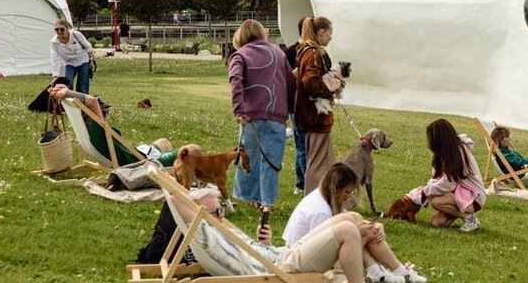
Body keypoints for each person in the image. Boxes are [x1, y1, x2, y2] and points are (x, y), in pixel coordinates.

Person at [176, 185, 424, 283]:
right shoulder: (205, 234)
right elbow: (178, 202)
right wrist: (158, 172)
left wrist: (265, 243)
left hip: (280, 254)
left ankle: (398, 272)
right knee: (348, 230)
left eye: (221, 209)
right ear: (200, 215)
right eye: (215, 211)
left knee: (351, 218)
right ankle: (374, 274)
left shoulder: (220, 228)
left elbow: (249, 249)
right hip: (279, 267)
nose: (221, 215)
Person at [284, 163, 427, 282]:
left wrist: (375, 226)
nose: (348, 197)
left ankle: (390, 270)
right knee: (350, 230)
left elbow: (350, 220)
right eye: (346, 192)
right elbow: (332, 259)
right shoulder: (320, 212)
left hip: (299, 256)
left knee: (354, 218)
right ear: (335, 189)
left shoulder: (322, 197)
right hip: (294, 264)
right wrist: (359, 233)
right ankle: (377, 270)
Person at [230, 19, 296, 214]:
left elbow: (235, 81)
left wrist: (239, 109)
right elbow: (290, 84)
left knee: (249, 157)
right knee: (271, 160)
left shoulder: (240, 55)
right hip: (276, 115)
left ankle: (252, 197)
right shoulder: (279, 53)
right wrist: (290, 110)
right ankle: (267, 202)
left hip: (250, 115)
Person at [47, 81, 175, 166]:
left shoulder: (87, 130)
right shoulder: (98, 130)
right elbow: (92, 102)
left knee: (163, 142)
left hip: (138, 153)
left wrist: (66, 91)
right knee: (183, 152)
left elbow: (88, 102)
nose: (105, 114)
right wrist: (66, 93)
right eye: (103, 111)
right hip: (139, 162)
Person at [410, 119, 484, 231]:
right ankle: (461, 214)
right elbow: (437, 178)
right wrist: (427, 189)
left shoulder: (458, 153)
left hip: (474, 197)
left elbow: (448, 184)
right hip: (458, 192)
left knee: (436, 201)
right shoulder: (445, 153)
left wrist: (425, 192)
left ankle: (469, 219)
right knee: (436, 223)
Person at [294, 16, 337, 193]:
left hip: (313, 115)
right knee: (317, 161)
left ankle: (325, 194)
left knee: (323, 160)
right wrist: (330, 89)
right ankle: (312, 195)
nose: (331, 38)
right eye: (329, 33)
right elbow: (310, 81)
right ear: (321, 32)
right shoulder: (313, 53)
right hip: (315, 115)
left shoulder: (306, 50)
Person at [285, 15, 314, 196]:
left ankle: (303, 183)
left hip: (313, 105)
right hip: (297, 105)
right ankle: (305, 184)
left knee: (307, 146)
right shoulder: (290, 52)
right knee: (303, 146)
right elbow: (286, 80)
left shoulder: (318, 52)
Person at [50, 20, 93, 94]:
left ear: (67, 29)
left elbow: (88, 46)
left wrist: (91, 60)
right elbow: (55, 59)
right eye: (56, 29)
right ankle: (69, 100)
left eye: (62, 29)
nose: (59, 31)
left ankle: (82, 100)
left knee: (83, 85)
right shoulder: (53, 42)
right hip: (69, 62)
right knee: (68, 84)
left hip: (82, 60)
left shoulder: (76, 34)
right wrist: (55, 77)